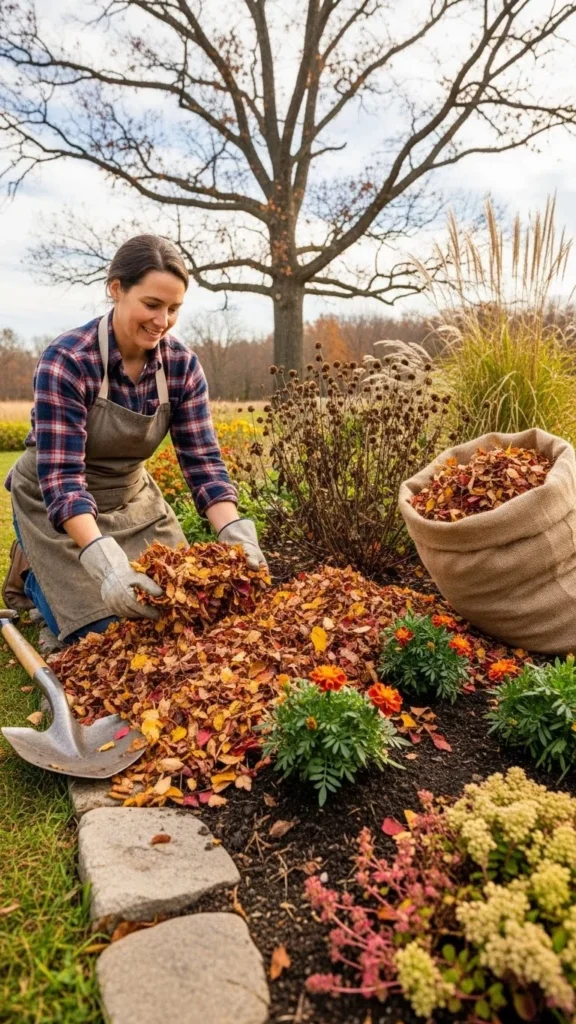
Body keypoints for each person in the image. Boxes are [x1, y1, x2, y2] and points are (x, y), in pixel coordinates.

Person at [4, 234, 266, 646]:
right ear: (116, 289)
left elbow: (203, 463)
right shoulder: (69, 360)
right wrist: (105, 565)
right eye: (152, 304)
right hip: (54, 502)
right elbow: (63, 479)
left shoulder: (181, 366)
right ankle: (35, 575)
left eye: (173, 309)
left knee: (184, 608)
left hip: (132, 499)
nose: (162, 321)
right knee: (110, 630)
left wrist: (233, 531)